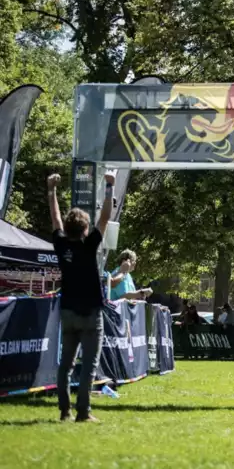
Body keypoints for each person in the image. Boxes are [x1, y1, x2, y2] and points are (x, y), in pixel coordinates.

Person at [49, 171, 115, 422]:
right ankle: (83, 413)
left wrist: (51, 190)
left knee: (65, 365)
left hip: (68, 312)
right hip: (90, 314)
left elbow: (55, 218)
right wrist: (110, 186)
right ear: (86, 230)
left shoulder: (61, 245)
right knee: (88, 366)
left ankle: (64, 411)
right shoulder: (89, 246)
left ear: (68, 228)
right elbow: (106, 217)